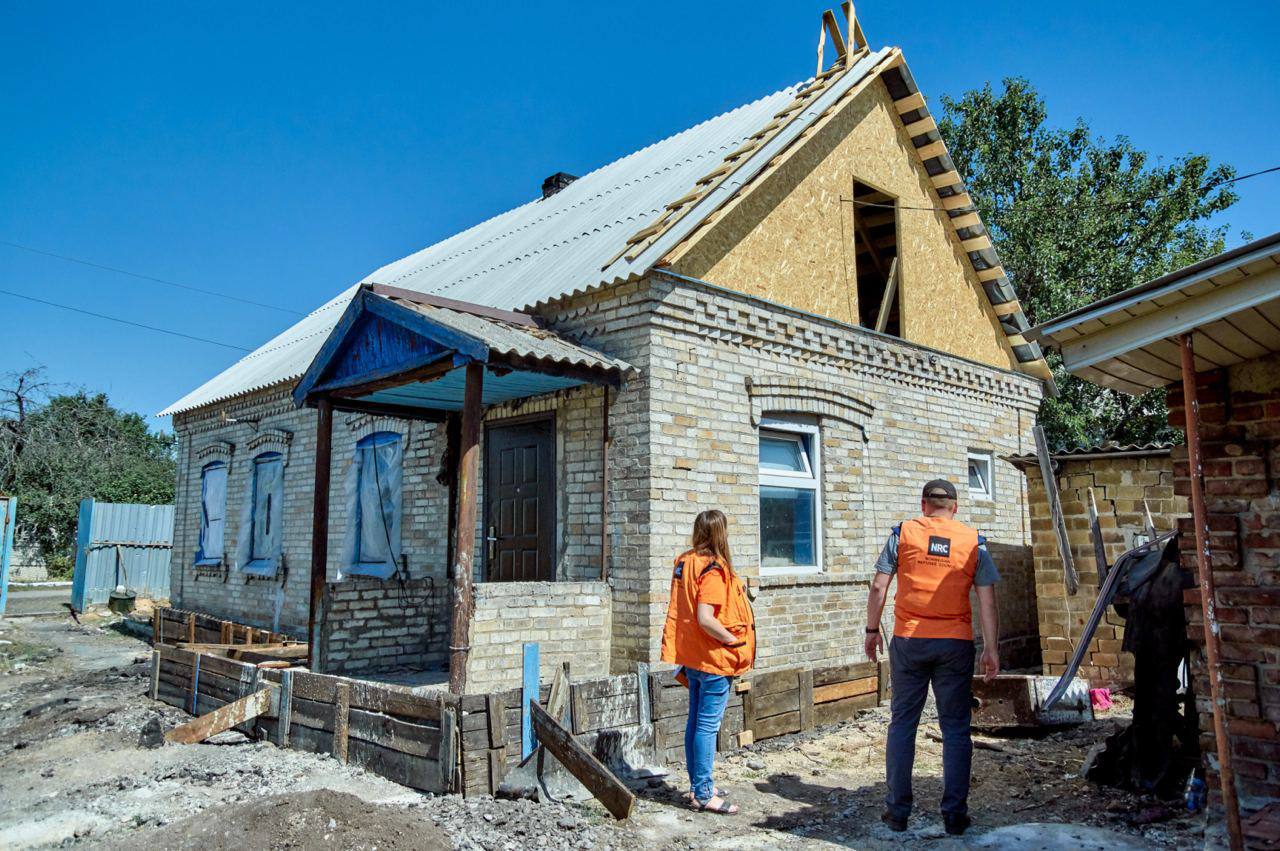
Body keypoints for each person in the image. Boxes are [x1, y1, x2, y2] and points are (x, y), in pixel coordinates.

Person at [864, 479, 1000, 836]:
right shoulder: (973, 542)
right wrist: (991, 648)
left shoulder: (903, 535)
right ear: (954, 507)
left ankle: (897, 813)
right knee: (955, 729)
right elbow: (987, 599)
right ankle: (955, 815)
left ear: (923, 505)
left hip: (910, 641)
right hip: (955, 644)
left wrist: (871, 630)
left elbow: (878, 586)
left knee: (903, 723)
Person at [659, 509, 756, 815]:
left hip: (693, 658)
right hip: (714, 660)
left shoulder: (685, 562)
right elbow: (705, 618)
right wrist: (732, 640)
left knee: (695, 723)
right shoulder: (713, 570)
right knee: (706, 726)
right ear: (720, 533)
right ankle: (702, 793)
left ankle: (698, 785)